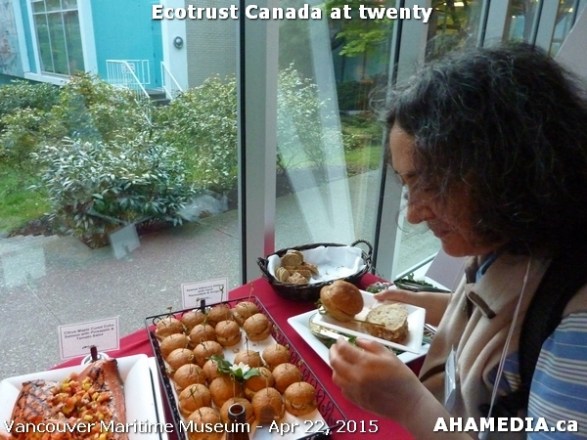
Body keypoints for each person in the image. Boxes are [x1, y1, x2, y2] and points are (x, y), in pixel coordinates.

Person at [329, 42, 587, 439]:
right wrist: (428, 305)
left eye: (431, 183)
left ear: (507, 168)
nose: (414, 214)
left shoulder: (578, 330)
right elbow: (510, 314)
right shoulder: (518, 238)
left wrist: (411, 406)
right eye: (407, 185)